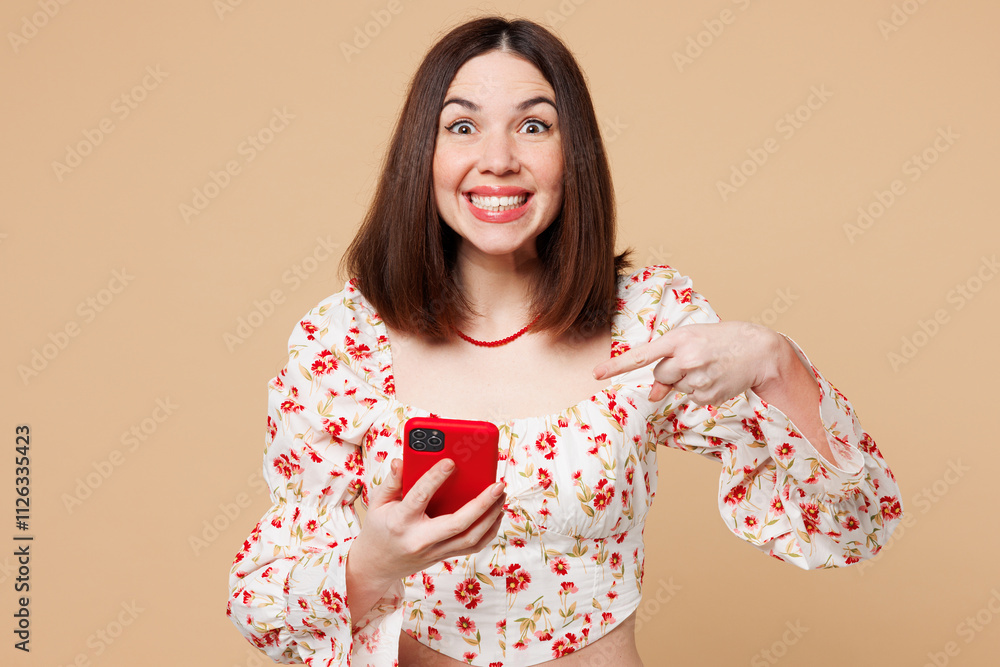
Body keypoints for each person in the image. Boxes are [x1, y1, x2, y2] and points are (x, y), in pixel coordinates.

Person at [226, 15, 902, 667]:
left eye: (533, 125)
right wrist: (372, 561)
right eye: (462, 126)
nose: (498, 159)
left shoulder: (646, 321)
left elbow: (854, 526)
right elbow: (261, 604)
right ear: (422, 155)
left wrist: (774, 361)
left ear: (571, 153)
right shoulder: (344, 343)